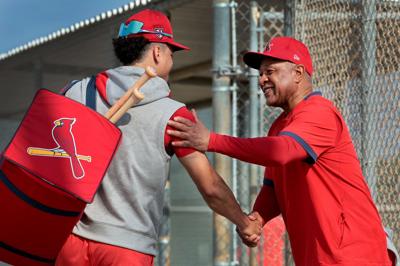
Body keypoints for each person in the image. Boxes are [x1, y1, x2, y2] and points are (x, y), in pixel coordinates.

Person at [55, 9, 261, 266]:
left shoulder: (74, 91)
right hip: (127, 246)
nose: (172, 61)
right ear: (157, 52)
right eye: (171, 53)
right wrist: (244, 222)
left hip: (68, 240)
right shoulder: (173, 114)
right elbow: (210, 187)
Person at [167, 36, 397, 265]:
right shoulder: (280, 126)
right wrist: (258, 218)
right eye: (261, 73)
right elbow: (273, 188)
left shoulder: (319, 112)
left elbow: (280, 152)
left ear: (298, 73)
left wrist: (211, 140)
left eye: (271, 71)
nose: (263, 79)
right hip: (317, 254)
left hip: (354, 254)